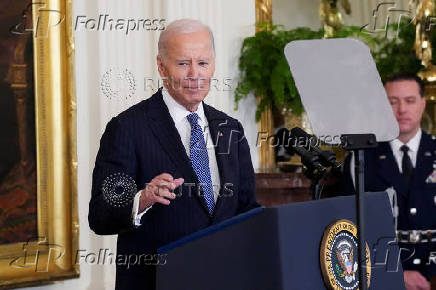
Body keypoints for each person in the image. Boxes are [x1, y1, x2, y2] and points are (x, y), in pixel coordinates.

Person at [88, 19, 259, 290]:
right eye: (183, 64)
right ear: (161, 66)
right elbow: (100, 215)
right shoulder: (127, 128)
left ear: (213, 65)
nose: (195, 74)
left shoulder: (230, 129)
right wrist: (141, 199)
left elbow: (248, 210)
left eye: (203, 63)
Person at [341, 72, 436, 290]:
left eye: (410, 101)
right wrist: (394, 273)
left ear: (422, 104)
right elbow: (347, 228)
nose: (402, 109)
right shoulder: (361, 159)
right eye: (393, 102)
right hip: (380, 280)